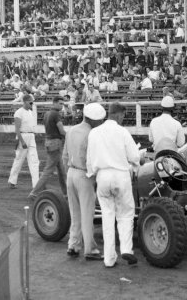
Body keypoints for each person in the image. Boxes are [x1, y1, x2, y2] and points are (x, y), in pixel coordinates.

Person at [86, 102, 141, 268]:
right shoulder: (122, 132)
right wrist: (135, 163)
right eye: (123, 116)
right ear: (117, 114)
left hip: (102, 176)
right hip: (120, 175)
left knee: (107, 217)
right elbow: (134, 156)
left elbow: (90, 160)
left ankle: (109, 258)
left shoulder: (94, 133)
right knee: (125, 214)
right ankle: (126, 249)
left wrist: (92, 174)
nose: (123, 119)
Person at [62, 103, 106, 260]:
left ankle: (73, 245)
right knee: (87, 214)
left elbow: (64, 156)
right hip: (84, 176)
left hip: (71, 173)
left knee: (75, 213)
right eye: (99, 120)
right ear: (93, 120)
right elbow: (94, 159)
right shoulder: (92, 134)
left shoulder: (72, 130)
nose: (101, 123)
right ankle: (90, 249)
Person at [28, 96, 67, 200]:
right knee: (48, 170)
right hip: (55, 144)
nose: (61, 105)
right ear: (54, 103)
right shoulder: (56, 114)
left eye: (62, 104)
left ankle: (66, 193)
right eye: (60, 103)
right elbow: (61, 131)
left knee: (61, 170)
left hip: (49, 142)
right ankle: (35, 192)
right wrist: (69, 137)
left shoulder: (47, 114)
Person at [8, 94, 40, 189]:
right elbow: (17, 129)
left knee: (34, 161)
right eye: (31, 102)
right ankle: (12, 181)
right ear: (25, 102)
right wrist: (22, 141)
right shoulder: (19, 113)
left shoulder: (30, 112)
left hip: (31, 136)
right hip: (23, 136)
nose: (32, 104)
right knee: (19, 159)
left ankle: (36, 185)